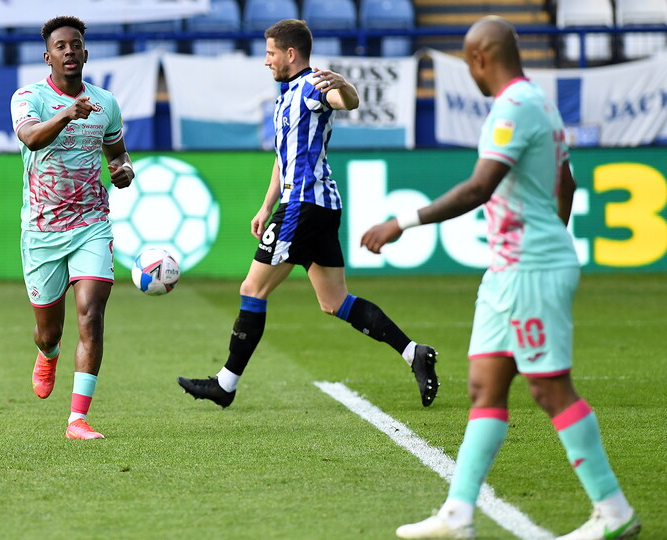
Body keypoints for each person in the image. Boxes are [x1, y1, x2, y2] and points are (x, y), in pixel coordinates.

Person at [361, 16, 640, 540]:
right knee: (484, 386)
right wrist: (544, 237)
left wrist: (403, 221)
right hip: (511, 268)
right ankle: (458, 514)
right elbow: (568, 183)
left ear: (478, 60)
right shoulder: (536, 102)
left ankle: (615, 511)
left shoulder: (515, 106)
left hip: (528, 268)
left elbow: (480, 187)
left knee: (549, 388)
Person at [177, 19, 440, 409]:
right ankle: (413, 352)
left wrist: (343, 84)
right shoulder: (285, 97)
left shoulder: (313, 88)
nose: (266, 62)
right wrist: (267, 205)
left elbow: (348, 102)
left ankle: (225, 385)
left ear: (290, 54)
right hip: (315, 206)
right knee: (334, 301)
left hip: (303, 207)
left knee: (252, 289)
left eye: (270, 54)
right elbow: (283, 160)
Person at [9, 15, 134, 440]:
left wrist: (123, 170)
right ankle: (48, 354)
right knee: (50, 330)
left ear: (85, 52)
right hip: (42, 230)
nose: (69, 51)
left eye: (75, 44)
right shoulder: (28, 97)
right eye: (60, 46)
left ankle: (77, 419)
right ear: (48, 57)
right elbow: (31, 138)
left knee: (92, 315)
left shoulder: (105, 103)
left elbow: (118, 153)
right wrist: (66, 114)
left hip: (91, 224)